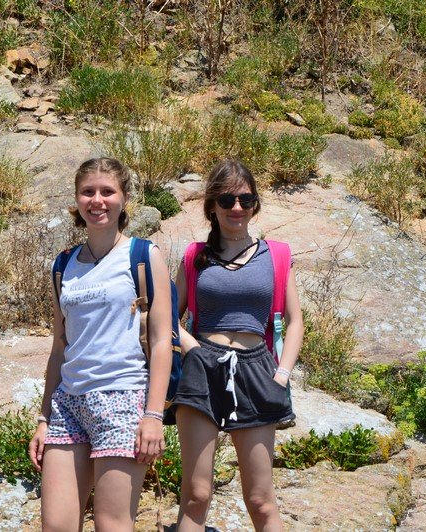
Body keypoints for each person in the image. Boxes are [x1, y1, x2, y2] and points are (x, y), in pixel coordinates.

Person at [28, 157, 172, 531]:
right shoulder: (63, 265)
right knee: (56, 526)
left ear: (124, 199)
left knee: (112, 524)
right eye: (88, 192)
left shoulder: (143, 256)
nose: (97, 200)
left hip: (123, 398)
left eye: (107, 191)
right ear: (77, 199)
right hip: (68, 403)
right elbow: (60, 348)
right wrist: (44, 419)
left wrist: (153, 416)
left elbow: (161, 342)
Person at [172, 159, 304, 531]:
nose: (237, 208)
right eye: (227, 199)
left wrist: (281, 374)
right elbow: (166, 317)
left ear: (255, 204)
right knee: (196, 495)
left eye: (245, 200)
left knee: (260, 500)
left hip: (257, 369)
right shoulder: (194, 256)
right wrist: (193, 348)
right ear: (212, 206)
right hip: (203, 368)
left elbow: (295, 321)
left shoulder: (276, 255)